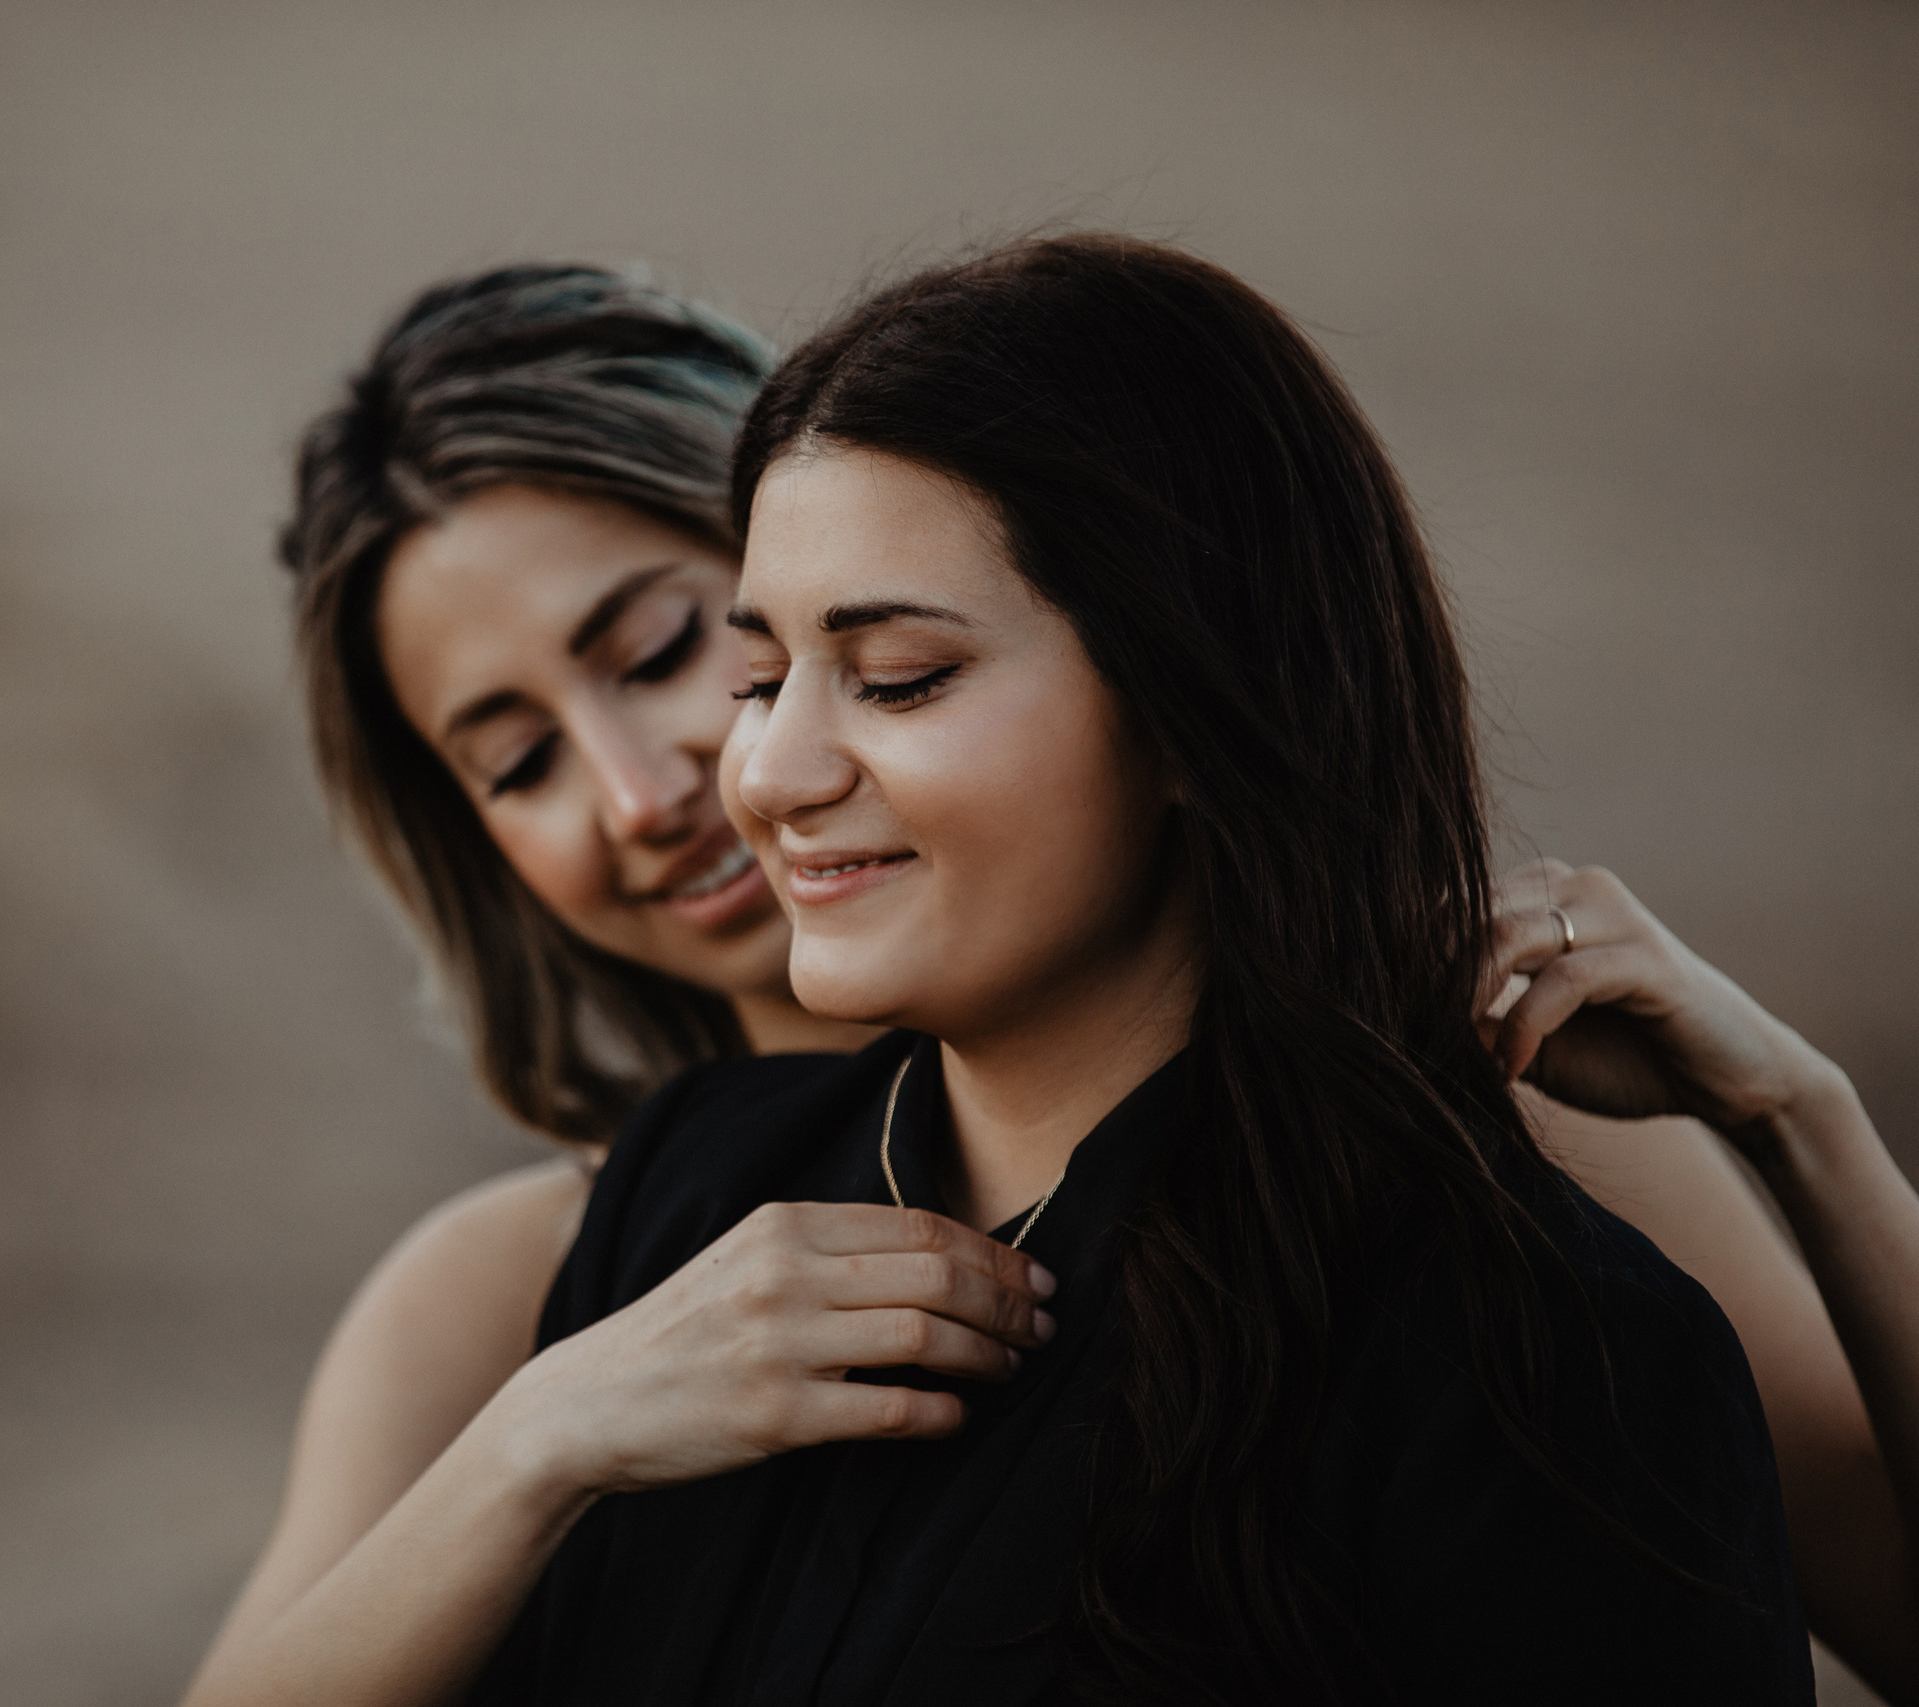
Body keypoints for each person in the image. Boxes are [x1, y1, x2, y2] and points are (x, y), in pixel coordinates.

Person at [188, 262, 1919, 1705]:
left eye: (675, 655)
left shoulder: (1503, 1199)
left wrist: (1804, 1125)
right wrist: (537, 1438)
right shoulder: (608, 1232)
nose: (673, 788)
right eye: (512, 765)